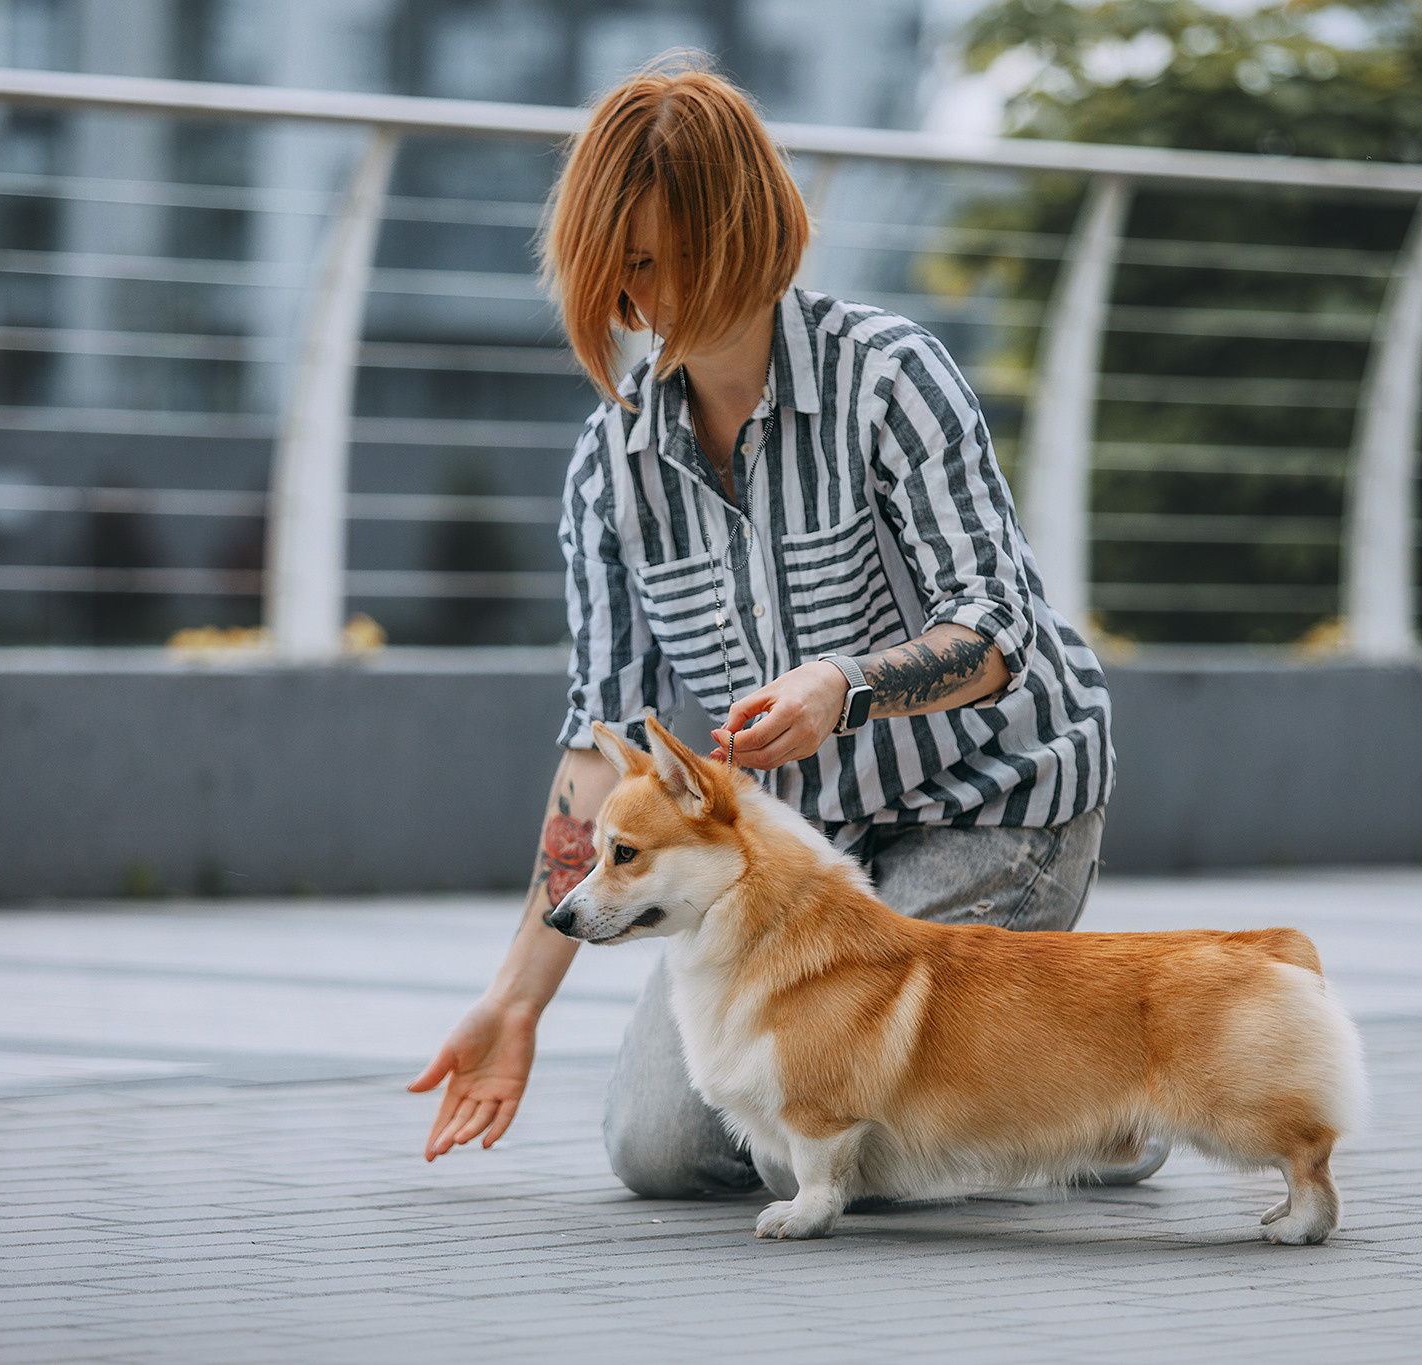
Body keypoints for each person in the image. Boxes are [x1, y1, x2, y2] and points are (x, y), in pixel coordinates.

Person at [407, 57, 1162, 1196]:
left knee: (859, 1147)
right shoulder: (609, 469)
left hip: (991, 802)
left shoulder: (889, 380)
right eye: (615, 265)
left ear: (740, 232)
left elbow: (999, 630)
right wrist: (514, 999)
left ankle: (1107, 1101)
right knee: (660, 1150)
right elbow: (593, 748)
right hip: (803, 857)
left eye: (658, 258)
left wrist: (839, 688)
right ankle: (1036, 1097)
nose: (635, 298)